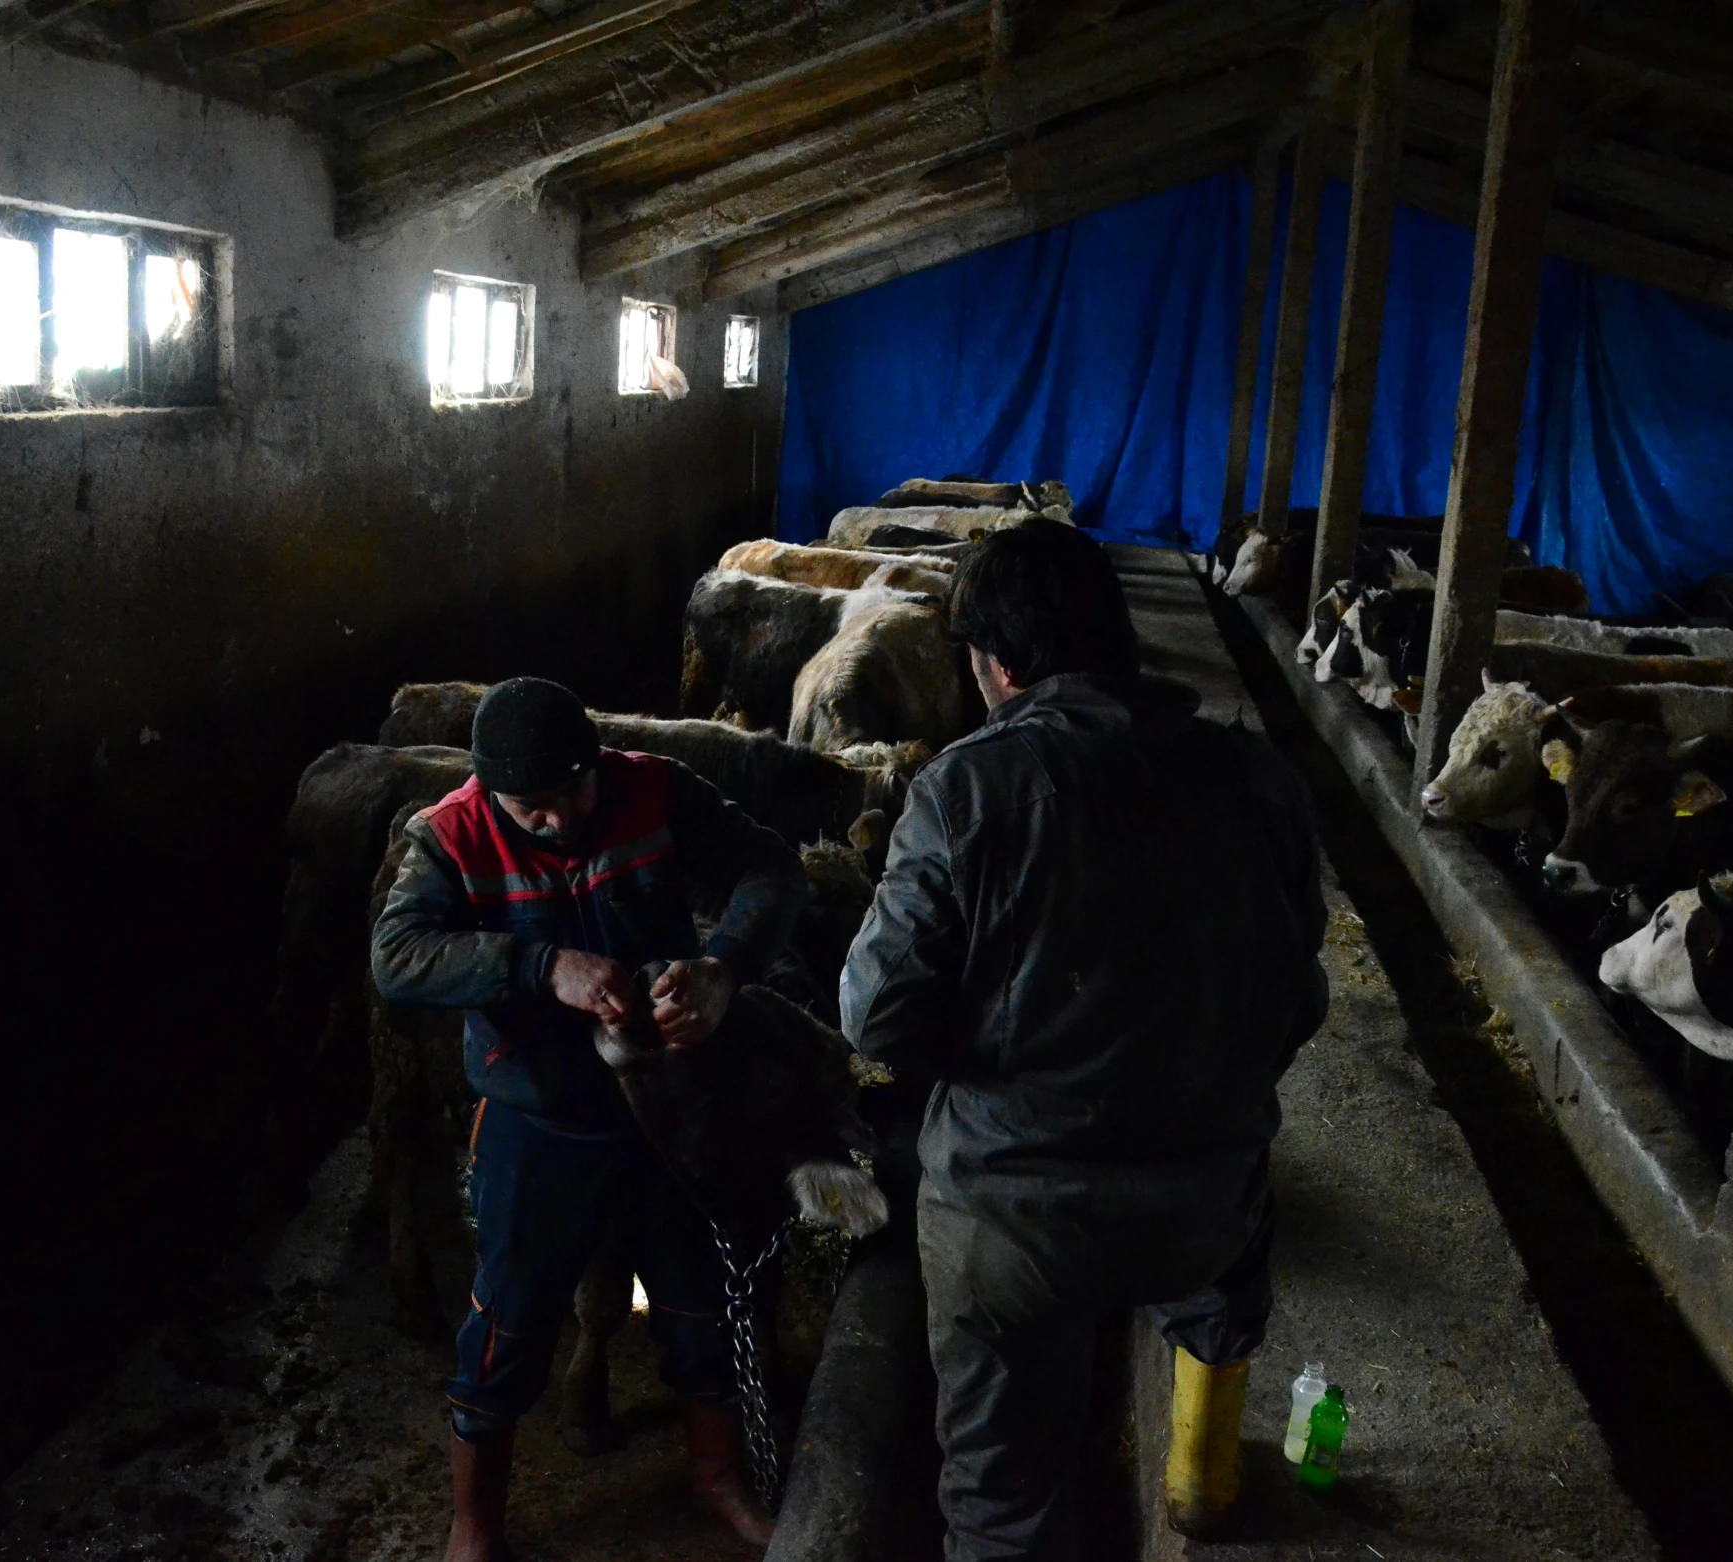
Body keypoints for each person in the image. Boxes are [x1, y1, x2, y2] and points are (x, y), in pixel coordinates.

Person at [840, 523, 1328, 1559]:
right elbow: (1300, 995)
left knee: (1000, 1500)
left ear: (1001, 665)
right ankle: (1198, 1476)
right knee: (1228, 1273)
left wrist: (983, 1048)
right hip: (1201, 1209)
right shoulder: (1260, 778)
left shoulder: (965, 788)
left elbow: (875, 1013)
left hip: (1013, 1220)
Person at [372, 676, 809, 1562]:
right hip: (542, 1119)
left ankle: (718, 1477)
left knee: (700, 1305)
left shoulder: (655, 786)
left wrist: (722, 967)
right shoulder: (447, 835)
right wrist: (541, 970)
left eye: (572, 793)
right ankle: (474, 1525)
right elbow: (399, 956)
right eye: (530, 807)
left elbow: (770, 866)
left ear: (597, 762)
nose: (557, 821)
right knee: (509, 1320)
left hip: (670, 1108)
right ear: (490, 791)